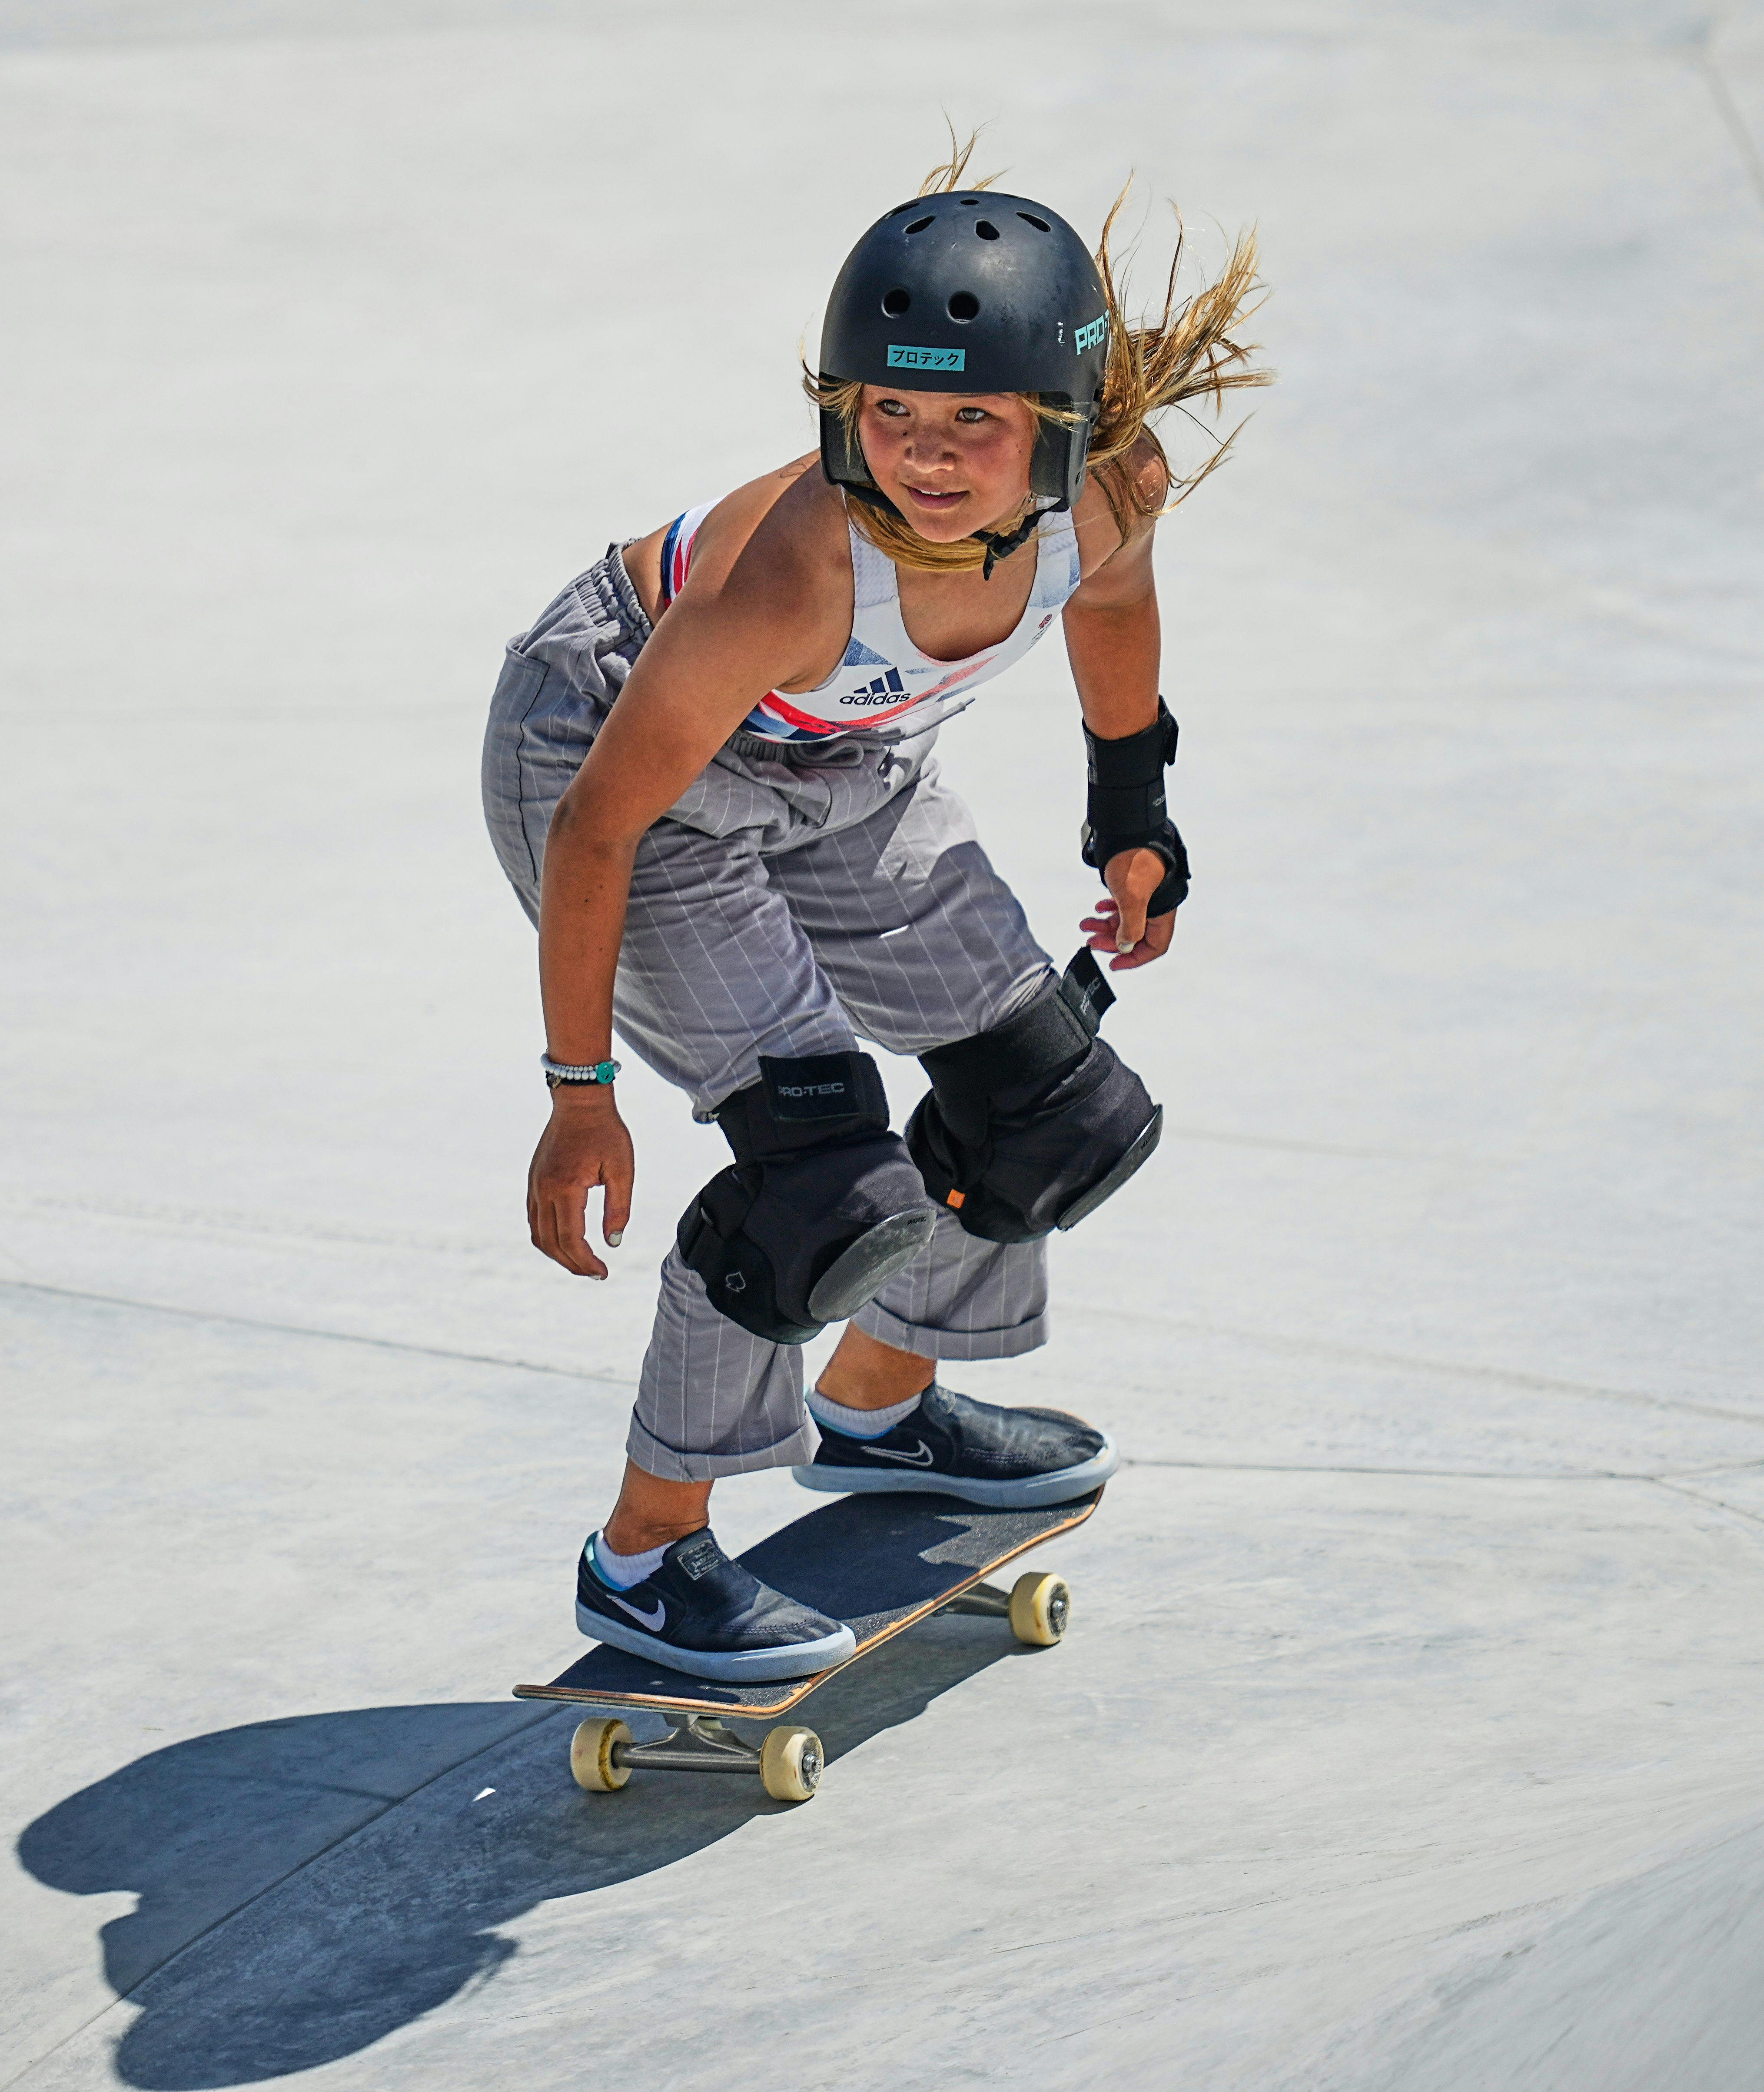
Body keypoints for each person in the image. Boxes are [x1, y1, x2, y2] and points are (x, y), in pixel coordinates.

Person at [481, 152, 1267, 1682]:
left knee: (1044, 1104)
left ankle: (886, 1407)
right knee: (817, 1181)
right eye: (890, 416)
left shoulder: (1115, 495)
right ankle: (645, 1555)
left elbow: (1110, 609)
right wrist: (581, 1094)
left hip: (842, 762)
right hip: (613, 764)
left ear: (1067, 428)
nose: (923, 456)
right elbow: (596, 830)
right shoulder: (796, 573)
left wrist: (1133, 815)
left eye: (974, 418)